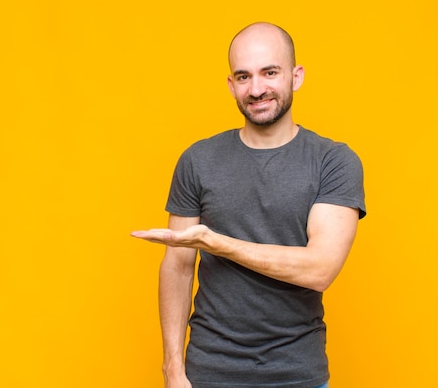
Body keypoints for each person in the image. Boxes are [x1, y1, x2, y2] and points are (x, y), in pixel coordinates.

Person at [131, 22, 366, 388]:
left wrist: (215, 242)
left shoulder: (333, 162)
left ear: (296, 76)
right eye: (244, 76)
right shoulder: (198, 160)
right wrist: (173, 369)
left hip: (297, 376)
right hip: (208, 374)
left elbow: (319, 269)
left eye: (269, 72)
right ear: (231, 85)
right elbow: (177, 267)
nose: (256, 89)